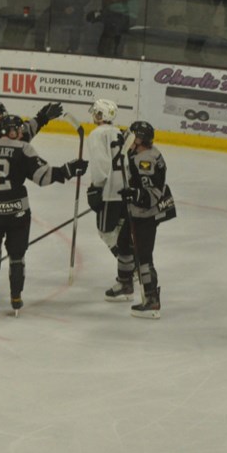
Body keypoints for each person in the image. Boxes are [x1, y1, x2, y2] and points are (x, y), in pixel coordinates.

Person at [0, 114, 87, 318]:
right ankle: (16, 297)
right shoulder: (23, 148)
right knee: (17, 257)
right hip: (18, 213)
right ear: (12, 131)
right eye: (19, 130)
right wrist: (67, 170)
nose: (22, 133)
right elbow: (43, 176)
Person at [119, 120, 175, 318]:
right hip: (137, 213)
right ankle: (126, 283)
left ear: (140, 139)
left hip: (145, 215)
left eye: (133, 135)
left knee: (144, 257)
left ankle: (151, 299)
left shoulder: (146, 160)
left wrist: (133, 195)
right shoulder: (139, 153)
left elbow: (151, 194)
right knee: (125, 243)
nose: (130, 138)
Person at [86, 99, 136, 302]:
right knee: (122, 232)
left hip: (109, 192)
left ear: (100, 115)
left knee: (106, 232)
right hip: (124, 189)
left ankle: (129, 271)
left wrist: (96, 187)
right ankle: (132, 270)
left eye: (95, 112)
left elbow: (100, 163)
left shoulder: (97, 134)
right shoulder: (118, 132)